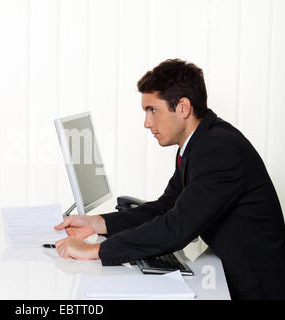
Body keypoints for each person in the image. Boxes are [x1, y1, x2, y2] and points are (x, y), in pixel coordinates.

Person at [53, 59, 285, 300]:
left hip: (256, 288)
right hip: (230, 273)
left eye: (152, 110)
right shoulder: (198, 143)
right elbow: (166, 208)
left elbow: (177, 227)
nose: (147, 123)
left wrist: (95, 250)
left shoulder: (219, 150)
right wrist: (97, 223)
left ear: (183, 108)